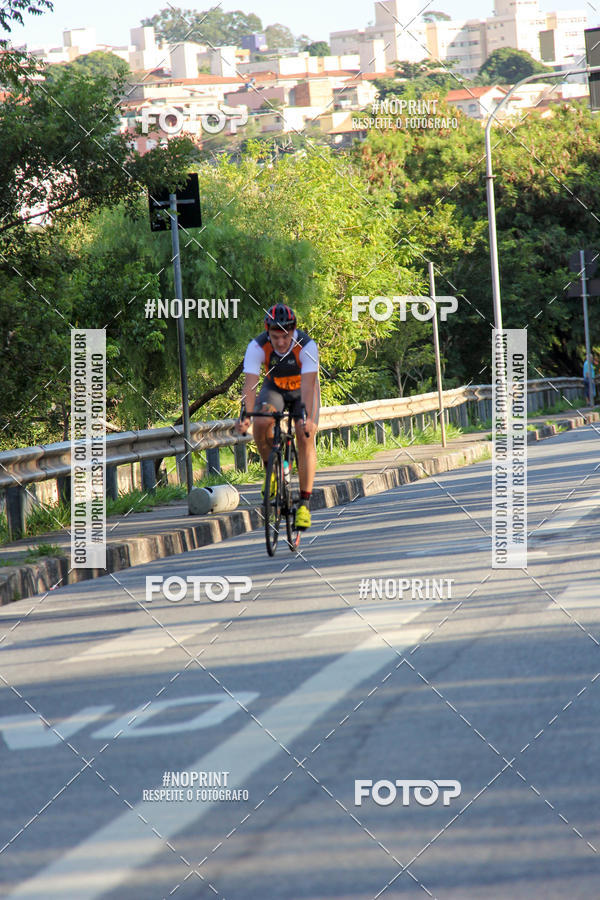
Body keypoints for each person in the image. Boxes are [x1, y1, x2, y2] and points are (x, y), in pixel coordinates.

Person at [236, 304, 320, 530]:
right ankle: (271, 471)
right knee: (261, 422)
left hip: (303, 390)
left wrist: (308, 418)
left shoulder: (307, 346)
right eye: (275, 337)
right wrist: (246, 415)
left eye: (285, 336)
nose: (281, 342)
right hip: (275, 389)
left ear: (293, 331)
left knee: (304, 434)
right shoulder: (256, 347)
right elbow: (251, 385)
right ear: (267, 332)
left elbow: (309, 388)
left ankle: (304, 504)